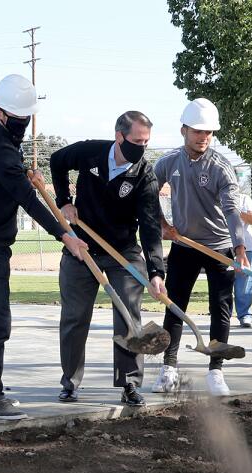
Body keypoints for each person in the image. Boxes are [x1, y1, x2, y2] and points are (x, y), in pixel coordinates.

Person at [0, 74, 90, 420]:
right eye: (16, 118)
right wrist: (65, 235)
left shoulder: (3, 142)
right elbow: (28, 202)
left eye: (26, 119)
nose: (21, 124)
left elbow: (19, 184)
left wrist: (28, 174)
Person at [48, 111, 165, 406]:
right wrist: (64, 201)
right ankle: (70, 382)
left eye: (146, 142)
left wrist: (156, 271)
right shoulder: (91, 152)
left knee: (128, 316)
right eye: (137, 141)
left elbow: (151, 225)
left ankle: (129, 384)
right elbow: (57, 162)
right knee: (74, 317)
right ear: (119, 136)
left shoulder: (144, 174)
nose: (142, 147)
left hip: (122, 251)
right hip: (81, 247)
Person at [149, 98, 249, 397]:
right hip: (184, 246)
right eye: (197, 131)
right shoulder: (169, 162)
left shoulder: (221, 167)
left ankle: (216, 371)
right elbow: (147, 191)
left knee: (221, 309)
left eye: (208, 132)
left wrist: (240, 246)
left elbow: (232, 210)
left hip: (219, 248)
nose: (203, 137)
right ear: (184, 130)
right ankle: (168, 369)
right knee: (175, 306)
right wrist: (163, 223)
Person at [233, 187, 252, 328]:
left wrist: (235, 212)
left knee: (245, 282)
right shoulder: (213, 198)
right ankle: (222, 314)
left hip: (247, 246)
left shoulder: (243, 199)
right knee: (222, 282)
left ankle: (245, 315)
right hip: (222, 245)